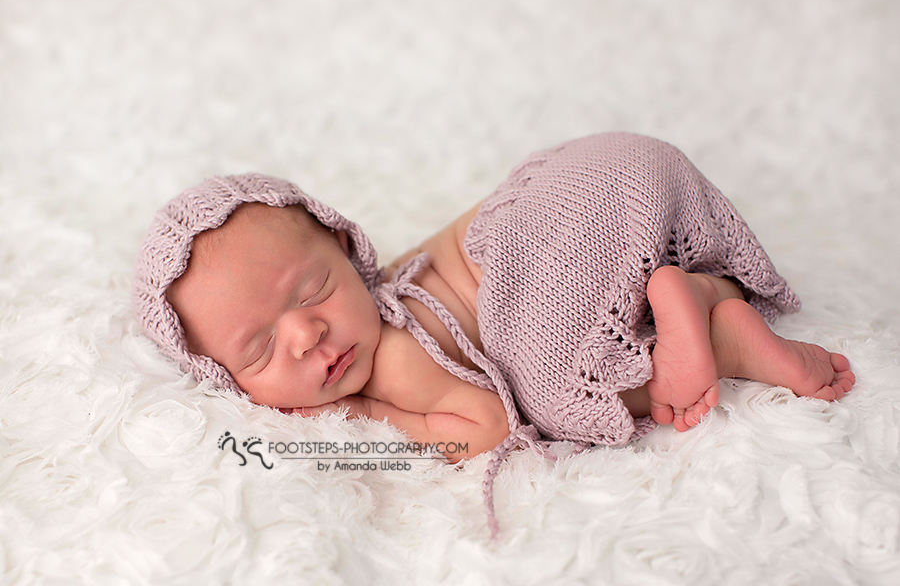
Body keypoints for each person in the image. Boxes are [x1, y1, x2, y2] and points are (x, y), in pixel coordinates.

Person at [134, 132, 855, 535]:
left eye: (314, 289)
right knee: (607, 296)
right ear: (224, 378)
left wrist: (362, 414)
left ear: (350, 251)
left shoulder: (389, 355)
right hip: (604, 168)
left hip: (558, 229)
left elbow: (480, 428)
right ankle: (702, 293)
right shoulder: (402, 275)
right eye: (259, 350)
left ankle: (712, 341)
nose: (306, 334)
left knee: (549, 393)